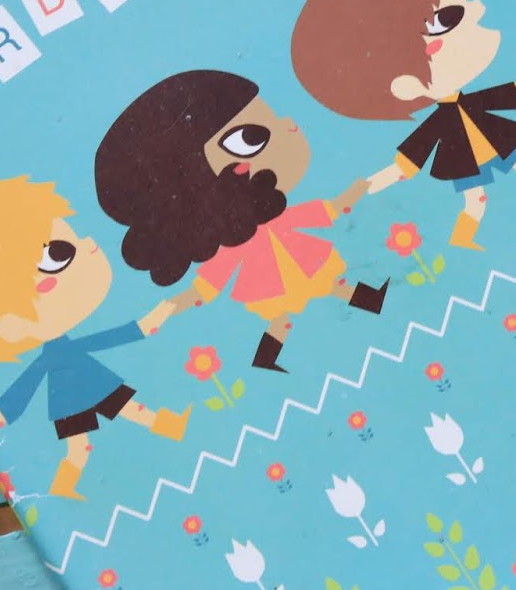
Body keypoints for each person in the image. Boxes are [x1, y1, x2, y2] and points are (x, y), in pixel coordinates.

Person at [0, 177, 188, 500]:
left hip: (80, 388)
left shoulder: (61, 347)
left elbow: (112, 337)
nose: (90, 243)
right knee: (99, 432)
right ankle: (80, 478)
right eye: (59, 253)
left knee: (114, 422)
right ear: (10, 325)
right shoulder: (51, 355)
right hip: (73, 393)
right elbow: (19, 396)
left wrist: (153, 319)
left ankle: (168, 429)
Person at [291, 0, 516, 251]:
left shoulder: (472, 100)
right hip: (463, 158)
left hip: (492, 138)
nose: (479, 7)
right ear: (407, 86)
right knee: (477, 199)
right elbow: (407, 164)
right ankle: (463, 236)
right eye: (446, 19)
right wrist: (369, 185)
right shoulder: (439, 122)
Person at [95, 70, 382, 374]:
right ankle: (266, 358)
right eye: (251, 138)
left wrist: (357, 190)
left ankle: (372, 300)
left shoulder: (272, 214)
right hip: (267, 280)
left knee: (333, 286)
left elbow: (328, 210)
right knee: (285, 317)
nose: (290, 125)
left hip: (298, 261)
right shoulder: (231, 241)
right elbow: (206, 288)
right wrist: (170, 307)